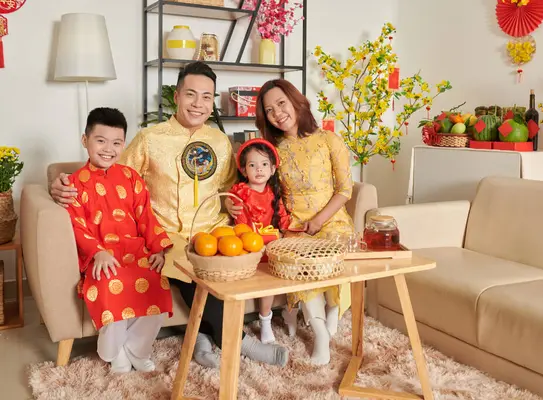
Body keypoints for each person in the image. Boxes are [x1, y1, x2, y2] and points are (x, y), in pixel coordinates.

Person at [50, 62, 288, 369]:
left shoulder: (219, 141)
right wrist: (60, 181)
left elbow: (232, 186)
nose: (198, 104)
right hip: (166, 235)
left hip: (214, 228)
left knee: (228, 262)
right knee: (190, 264)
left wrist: (233, 205)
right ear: (176, 96)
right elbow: (110, 173)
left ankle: (203, 337)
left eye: (206, 97)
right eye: (191, 94)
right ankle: (242, 342)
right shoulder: (150, 139)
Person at [226, 79, 354, 365]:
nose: (277, 113)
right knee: (299, 263)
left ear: (297, 101)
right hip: (293, 225)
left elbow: (345, 190)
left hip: (331, 221)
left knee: (337, 253)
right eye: (269, 110)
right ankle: (320, 332)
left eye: (281, 103)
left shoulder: (329, 140)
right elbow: (253, 187)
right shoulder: (273, 149)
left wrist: (320, 220)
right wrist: (230, 203)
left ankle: (332, 310)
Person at [65, 107, 174, 373]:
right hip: (101, 257)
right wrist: (97, 252)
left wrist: (159, 249)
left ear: (123, 144)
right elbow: (76, 225)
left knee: (156, 279)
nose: (108, 149)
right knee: (110, 281)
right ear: (85, 140)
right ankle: (113, 353)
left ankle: (137, 349)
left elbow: (146, 217)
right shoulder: (73, 184)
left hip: (135, 252)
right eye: (100, 140)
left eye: (116, 142)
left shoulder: (131, 178)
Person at [229, 138, 291, 344]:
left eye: (264, 164)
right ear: (245, 170)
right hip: (248, 246)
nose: (259, 170)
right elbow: (242, 225)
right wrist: (256, 242)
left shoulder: (274, 193)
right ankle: (234, 324)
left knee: (269, 283)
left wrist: (288, 233)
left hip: (270, 247)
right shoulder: (240, 192)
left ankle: (266, 323)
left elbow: (283, 218)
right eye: (252, 165)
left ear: (273, 169)